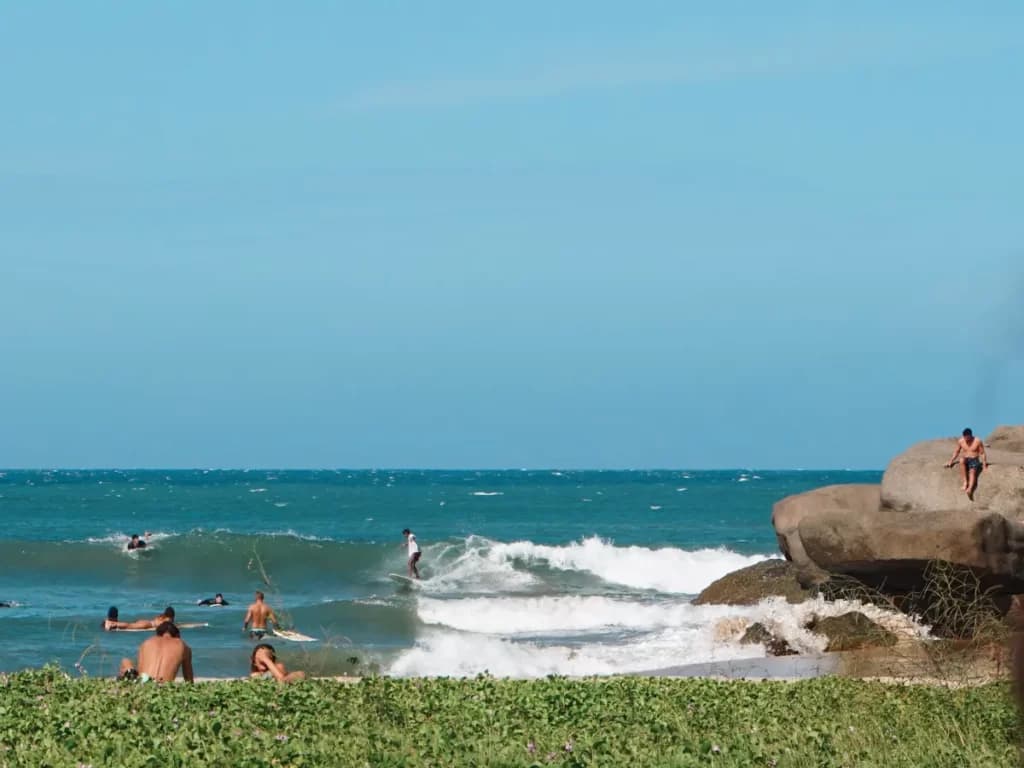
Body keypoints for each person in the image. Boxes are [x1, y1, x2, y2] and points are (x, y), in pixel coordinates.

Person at [118, 621, 194, 682]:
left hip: (144, 682)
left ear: (157, 634)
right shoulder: (183, 646)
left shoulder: (146, 643)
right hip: (163, 687)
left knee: (125, 661)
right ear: (177, 636)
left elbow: (141, 671)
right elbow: (189, 680)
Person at [946, 428, 989, 500]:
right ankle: (965, 482)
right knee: (961, 460)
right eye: (965, 437)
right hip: (965, 458)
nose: (966, 439)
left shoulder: (977, 441)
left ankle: (970, 489)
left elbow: (982, 453)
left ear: (971, 435)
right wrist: (951, 461)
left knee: (972, 472)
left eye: (967, 437)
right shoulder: (961, 441)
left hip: (974, 459)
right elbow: (957, 451)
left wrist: (984, 465)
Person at [104, 605, 175, 631]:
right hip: (147, 624)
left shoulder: (161, 617)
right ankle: (113, 624)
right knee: (130, 626)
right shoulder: (167, 620)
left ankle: (114, 623)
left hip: (146, 622)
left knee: (130, 625)